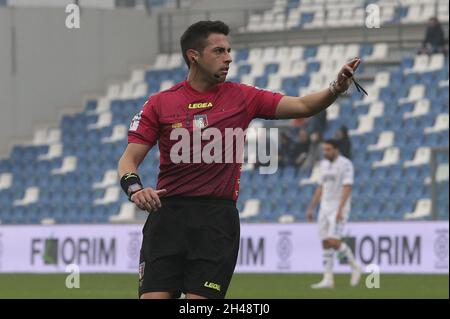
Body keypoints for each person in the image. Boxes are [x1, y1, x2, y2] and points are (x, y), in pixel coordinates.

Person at [117, 20, 361, 299]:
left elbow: (304, 105)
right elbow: (128, 160)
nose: (228, 57)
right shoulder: (160, 103)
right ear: (193, 56)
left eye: (229, 50)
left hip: (216, 221)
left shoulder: (243, 97)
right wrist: (135, 189)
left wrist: (335, 88)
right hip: (167, 218)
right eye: (219, 51)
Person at [306, 139, 361, 289]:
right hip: (324, 207)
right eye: (325, 150)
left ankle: (355, 267)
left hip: (338, 207)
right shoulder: (323, 165)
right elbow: (320, 187)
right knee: (325, 241)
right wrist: (311, 207)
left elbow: (347, 187)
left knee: (333, 240)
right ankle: (328, 279)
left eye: (329, 149)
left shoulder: (345, 164)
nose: (326, 152)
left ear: (336, 149)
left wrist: (341, 209)